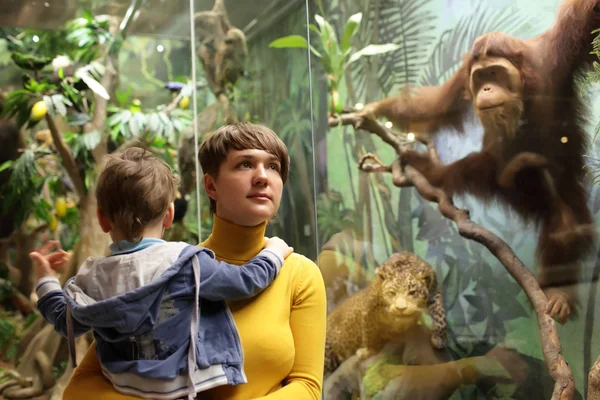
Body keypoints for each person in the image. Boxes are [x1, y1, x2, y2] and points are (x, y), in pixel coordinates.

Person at [62, 122, 328, 399]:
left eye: (273, 166)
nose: (262, 176)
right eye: (245, 164)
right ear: (211, 185)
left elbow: (307, 388)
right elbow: (81, 385)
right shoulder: (168, 269)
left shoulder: (300, 275)